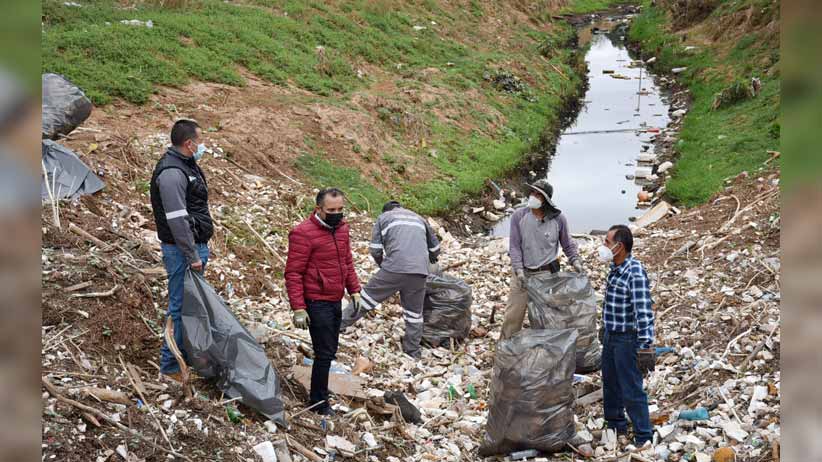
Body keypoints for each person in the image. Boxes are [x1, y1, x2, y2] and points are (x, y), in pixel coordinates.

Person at [284, 188, 361, 416]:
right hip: (316, 300)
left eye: (340, 209)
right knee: (325, 352)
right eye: (331, 210)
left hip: (335, 297)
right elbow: (293, 273)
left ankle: (320, 395)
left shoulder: (342, 229)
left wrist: (354, 289)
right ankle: (318, 402)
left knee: (329, 350)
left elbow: (346, 260)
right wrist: (298, 307)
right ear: (319, 209)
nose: (337, 214)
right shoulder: (303, 233)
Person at [150, 119, 214, 381]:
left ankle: (186, 359)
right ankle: (170, 367)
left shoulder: (186, 165)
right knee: (178, 307)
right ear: (189, 143)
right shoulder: (172, 173)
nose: (202, 145)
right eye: (200, 140)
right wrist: (192, 256)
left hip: (192, 246)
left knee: (191, 306)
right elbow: (177, 220)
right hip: (181, 251)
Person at [341, 200, 441, 359]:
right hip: (420, 272)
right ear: (401, 207)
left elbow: (375, 250)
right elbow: (435, 249)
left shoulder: (384, 217)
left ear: (385, 210)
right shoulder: (418, 218)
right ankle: (412, 351)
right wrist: (432, 259)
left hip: (393, 268)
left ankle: (338, 325)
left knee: (366, 299)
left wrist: (383, 265)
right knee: (414, 314)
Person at [501, 179, 583, 339]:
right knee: (512, 316)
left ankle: (542, 351)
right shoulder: (519, 216)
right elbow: (515, 246)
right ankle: (506, 348)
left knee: (542, 318)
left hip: (546, 276)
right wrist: (518, 270)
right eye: (532, 192)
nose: (533, 196)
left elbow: (567, 244)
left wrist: (576, 261)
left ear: (545, 200)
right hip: (522, 274)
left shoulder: (558, 219)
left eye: (538, 194)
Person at [598, 224, 656, 446]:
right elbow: (612, 304)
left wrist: (645, 346)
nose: (604, 246)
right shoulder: (616, 268)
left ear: (619, 247)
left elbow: (643, 312)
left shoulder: (635, 272)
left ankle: (644, 435)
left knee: (631, 388)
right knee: (610, 384)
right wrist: (605, 328)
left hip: (627, 340)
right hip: (611, 337)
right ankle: (615, 426)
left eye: (607, 242)